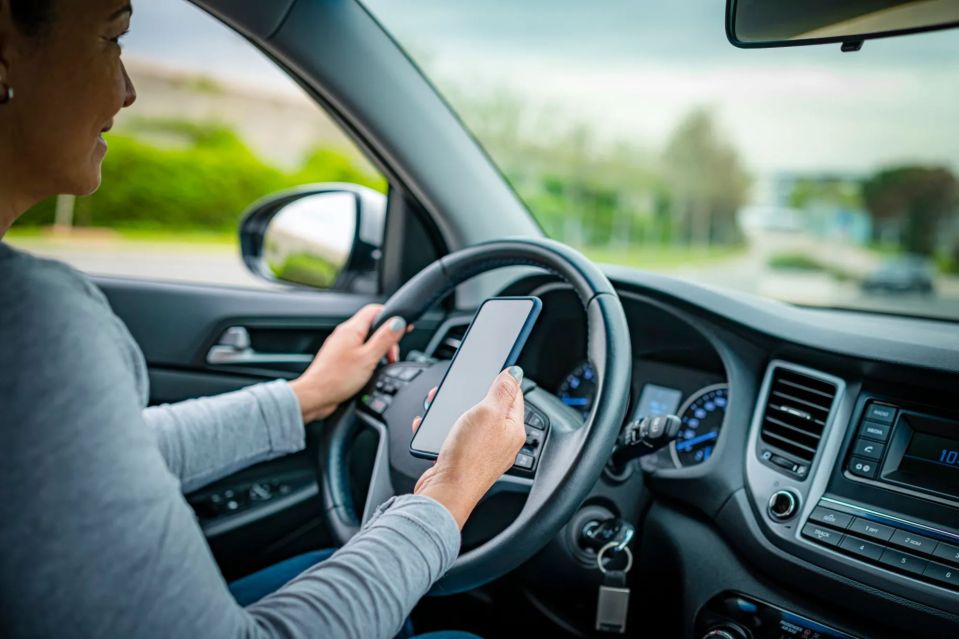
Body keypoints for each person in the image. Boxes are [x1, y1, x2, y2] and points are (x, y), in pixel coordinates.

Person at [0, 1, 528, 637]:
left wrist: (305, 395)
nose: (129, 89)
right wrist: (448, 490)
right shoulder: (28, 322)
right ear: (6, 41)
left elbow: (109, 452)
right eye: (113, 38)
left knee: (329, 572)